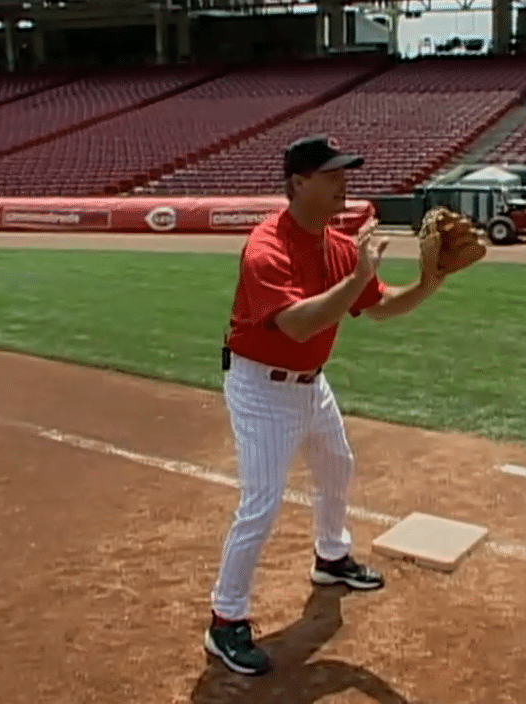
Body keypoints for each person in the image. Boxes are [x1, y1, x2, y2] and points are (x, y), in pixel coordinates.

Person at [205, 134, 446, 676]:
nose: (344, 183)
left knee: (337, 466)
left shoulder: (337, 246)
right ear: (298, 183)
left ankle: (331, 557)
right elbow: (297, 324)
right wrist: (358, 277)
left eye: (345, 173)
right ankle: (225, 619)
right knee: (262, 502)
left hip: (311, 384)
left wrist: (431, 281)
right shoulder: (267, 246)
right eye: (332, 174)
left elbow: (379, 307)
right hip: (261, 388)